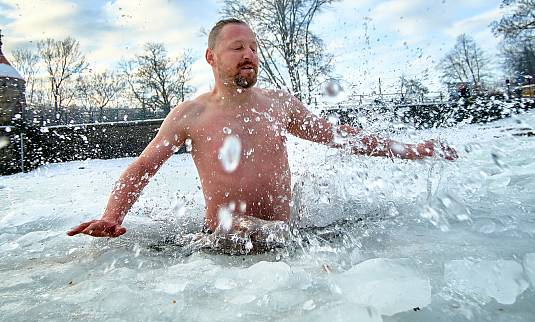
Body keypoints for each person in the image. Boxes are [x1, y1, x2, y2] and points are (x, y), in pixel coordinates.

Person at [67, 18, 457, 251]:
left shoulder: (278, 104)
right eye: (237, 47)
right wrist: (111, 216)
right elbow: (142, 168)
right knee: (236, 227)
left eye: (254, 47)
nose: (250, 54)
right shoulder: (191, 114)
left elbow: (341, 136)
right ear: (211, 57)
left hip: (286, 239)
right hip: (222, 245)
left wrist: (413, 149)